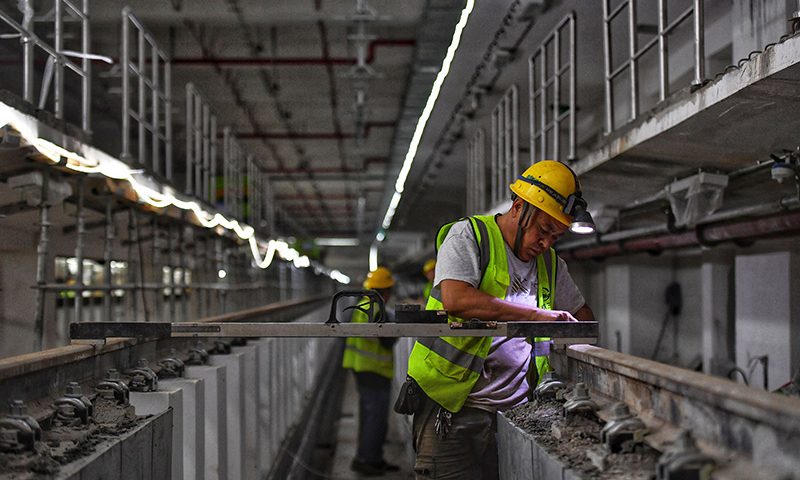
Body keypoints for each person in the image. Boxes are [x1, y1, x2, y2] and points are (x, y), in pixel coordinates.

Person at [404, 160, 596, 479]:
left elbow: (583, 317)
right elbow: (456, 299)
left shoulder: (550, 263)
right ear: (519, 207)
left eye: (556, 236)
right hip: (450, 407)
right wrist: (538, 316)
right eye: (544, 230)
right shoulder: (470, 235)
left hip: (514, 412)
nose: (546, 243)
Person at [343, 266, 401, 476]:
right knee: (375, 418)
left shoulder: (363, 305)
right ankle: (367, 459)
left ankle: (372, 457)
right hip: (374, 370)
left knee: (370, 416)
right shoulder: (377, 310)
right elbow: (386, 342)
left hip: (361, 368)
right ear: (385, 291)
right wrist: (398, 329)